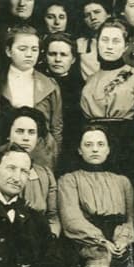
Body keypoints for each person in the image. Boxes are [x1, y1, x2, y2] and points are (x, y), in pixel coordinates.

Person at [60, 126, 134, 267]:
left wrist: (123, 239)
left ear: (108, 149)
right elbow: (71, 219)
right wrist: (101, 241)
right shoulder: (69, 180)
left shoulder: (123, 181)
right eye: (88, 145)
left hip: (118, 241)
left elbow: (130, 219)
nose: (95, 149)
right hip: (85, 241)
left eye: (101, 144)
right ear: (79, 150)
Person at [80, 19, 134, 179]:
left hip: (124, 149)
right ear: (97, 43)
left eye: (116, 41)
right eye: (104, 40)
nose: (109, 46)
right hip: (94, 146)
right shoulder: (90, 80)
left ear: (125, 46)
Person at [0, 109, 60, 236]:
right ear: (8, 135)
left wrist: (50, 239)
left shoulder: (46, 174)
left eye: (31, 132)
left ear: (37, 138)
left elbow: (52, 218)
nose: (26, 138)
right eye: (20, 131)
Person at [0, 24, 62, 170]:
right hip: (4, 153)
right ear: (9, 51)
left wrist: (53, 156)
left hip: (41, 157)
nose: (29, 54)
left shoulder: (49, 85)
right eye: (22, 49)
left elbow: (56, 127)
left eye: (34, 49)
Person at [42, 31, 85, 166]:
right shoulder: (39, 83)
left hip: (71, 150)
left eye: (63, 55)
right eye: (52, 54)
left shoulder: (81, 88)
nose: (58, 59)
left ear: (73, 59)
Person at [76, 0, 112, 78]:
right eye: (87, 15)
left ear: (108, 14)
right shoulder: (80, 43)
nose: (93, 17)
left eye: (97, 12)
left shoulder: (120, 41)